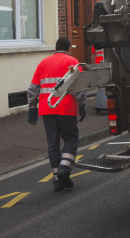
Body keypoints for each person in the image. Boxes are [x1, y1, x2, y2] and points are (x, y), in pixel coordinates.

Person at [27, 37, 87, 192]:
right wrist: (82, 105)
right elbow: (79, 87)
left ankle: (58, 181)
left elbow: (33, 89)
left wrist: (32, 106)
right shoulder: (72, 62)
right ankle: (64, 170)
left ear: (55, 48)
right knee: (71, 139)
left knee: (53, 144)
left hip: (47, 109)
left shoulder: (43, 63)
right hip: (66, 108)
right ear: (68, 48)